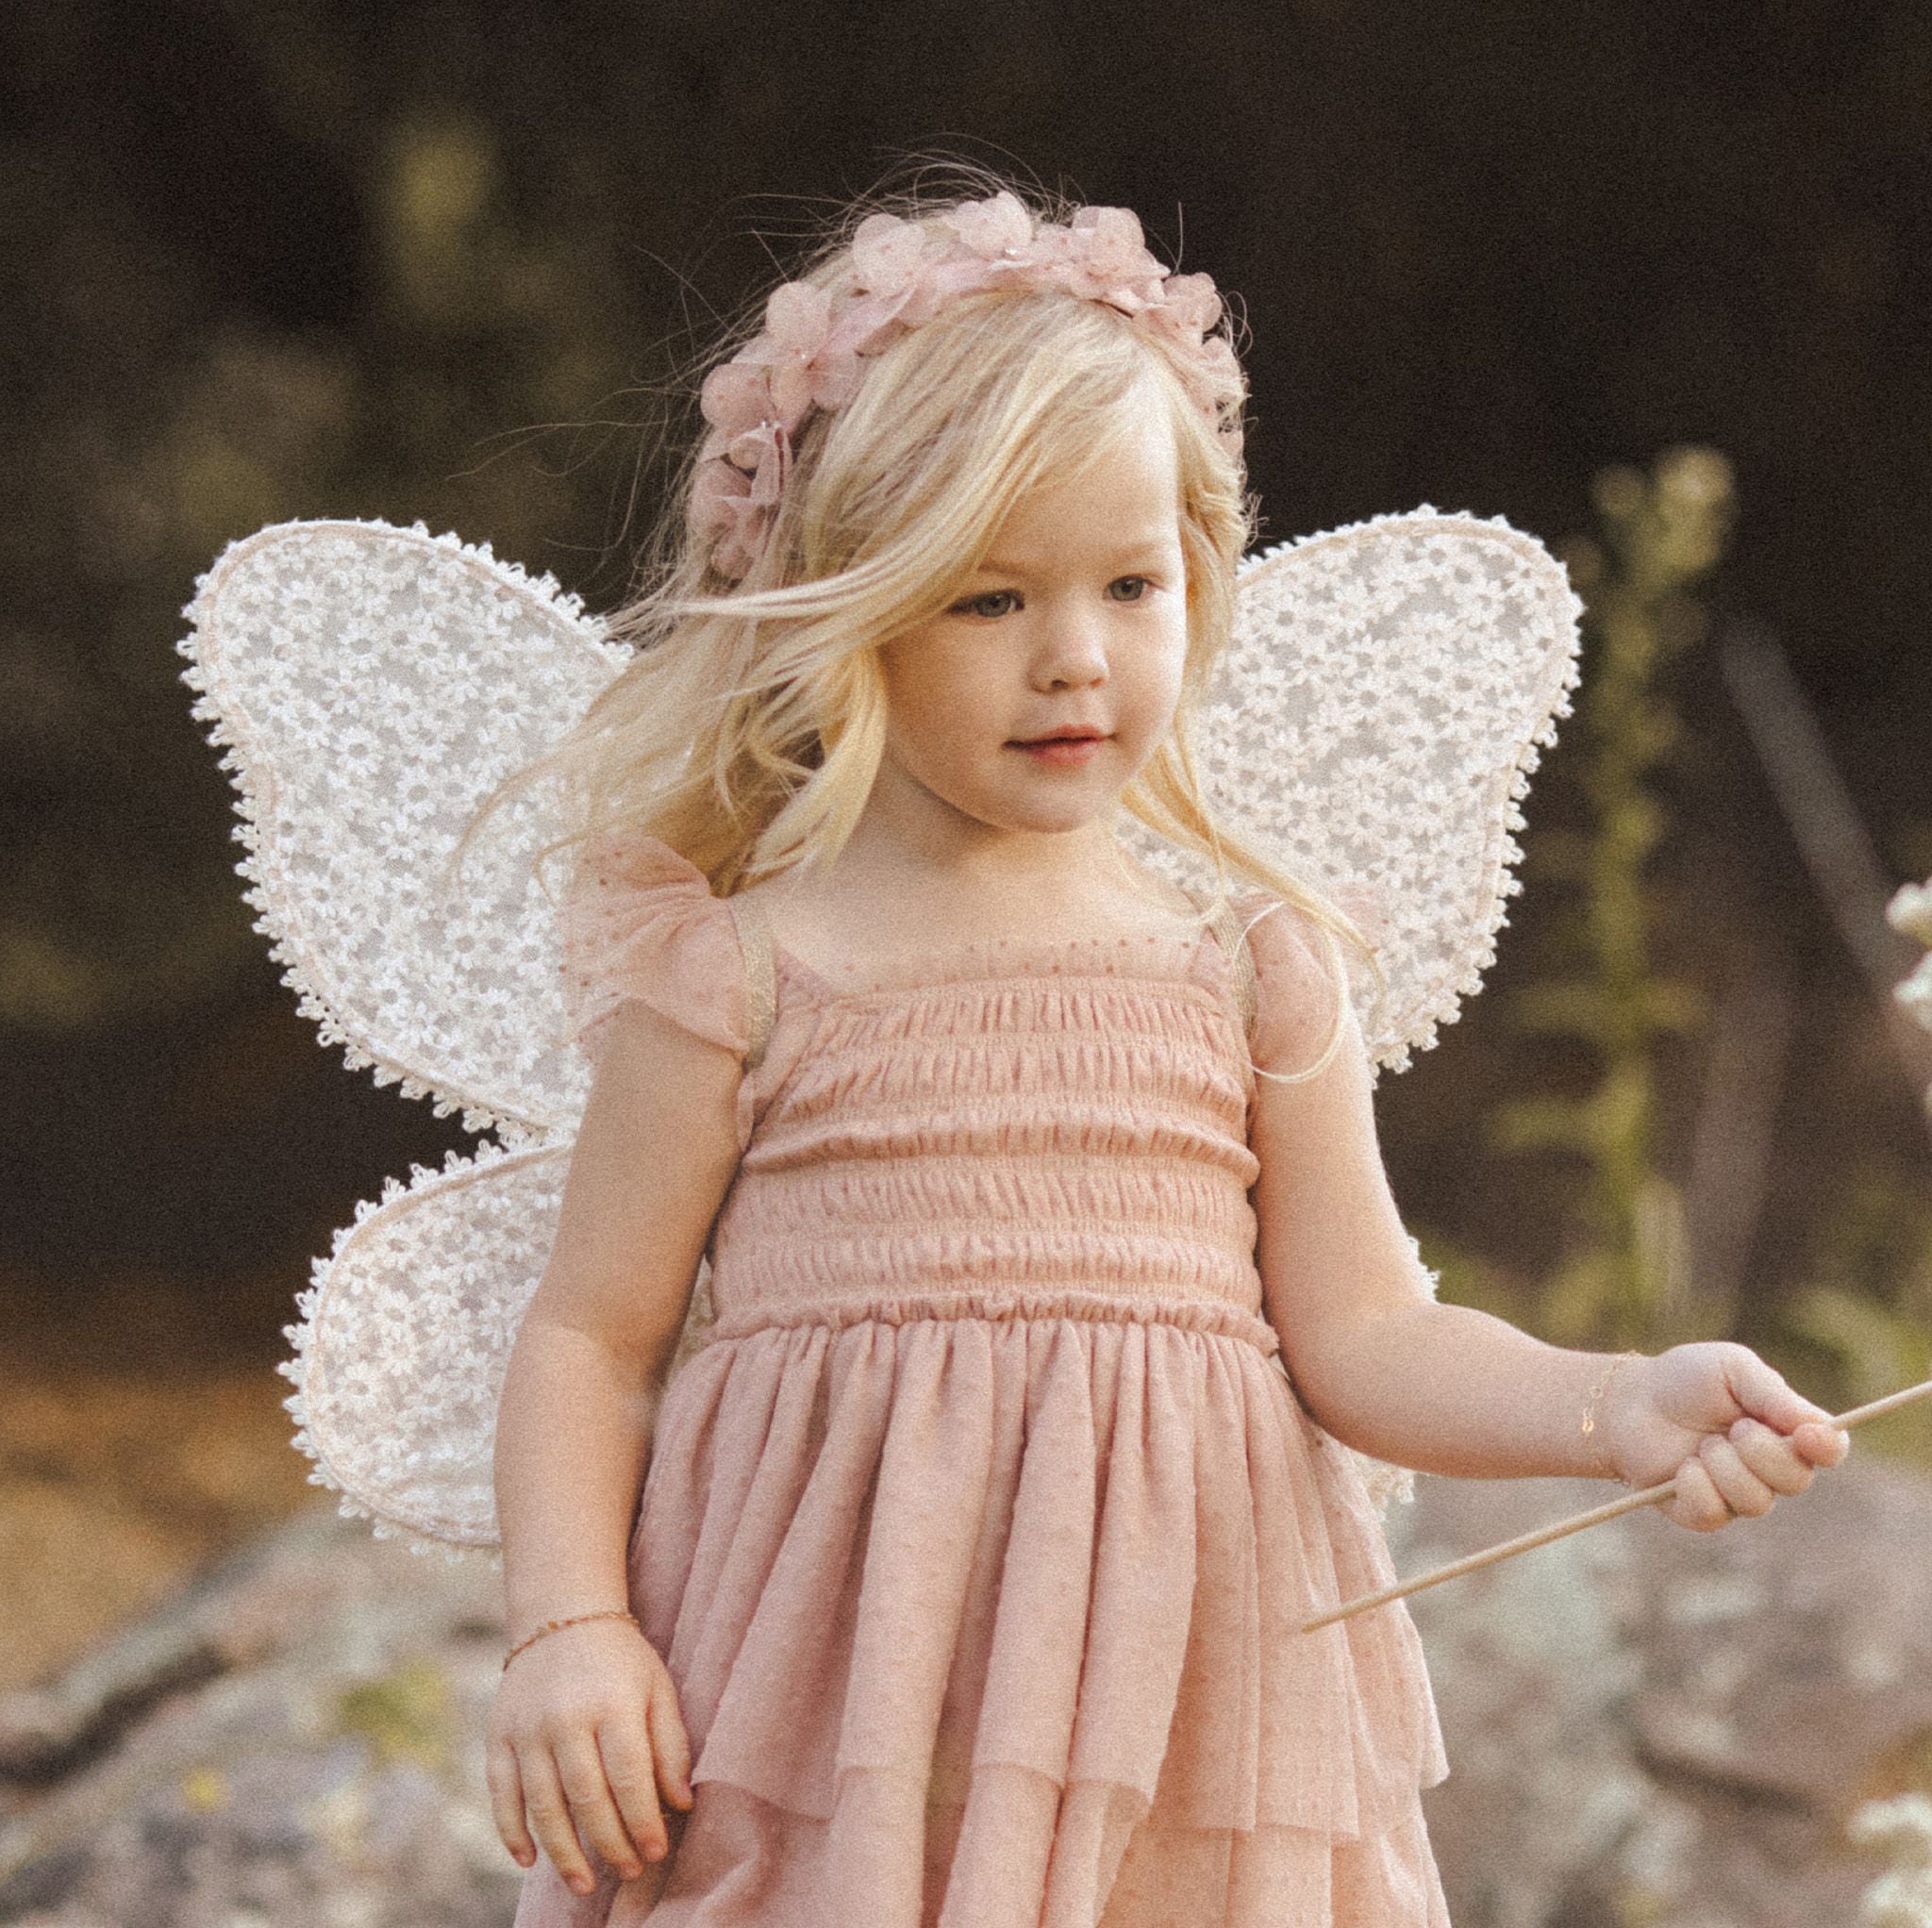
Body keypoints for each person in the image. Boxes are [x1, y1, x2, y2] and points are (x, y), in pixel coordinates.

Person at [479, 172, 1850, 1928]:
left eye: (1132, 584)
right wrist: (571, 1630)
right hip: (828, 1728)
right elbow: (592, 1335)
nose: (1076, 661)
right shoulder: (743, 972)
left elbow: (1365, 1333)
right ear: (850, 601)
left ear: (1199, 578)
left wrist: (1616, 1407)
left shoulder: (1245, 969)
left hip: (1181, 1725)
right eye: (988, 601)